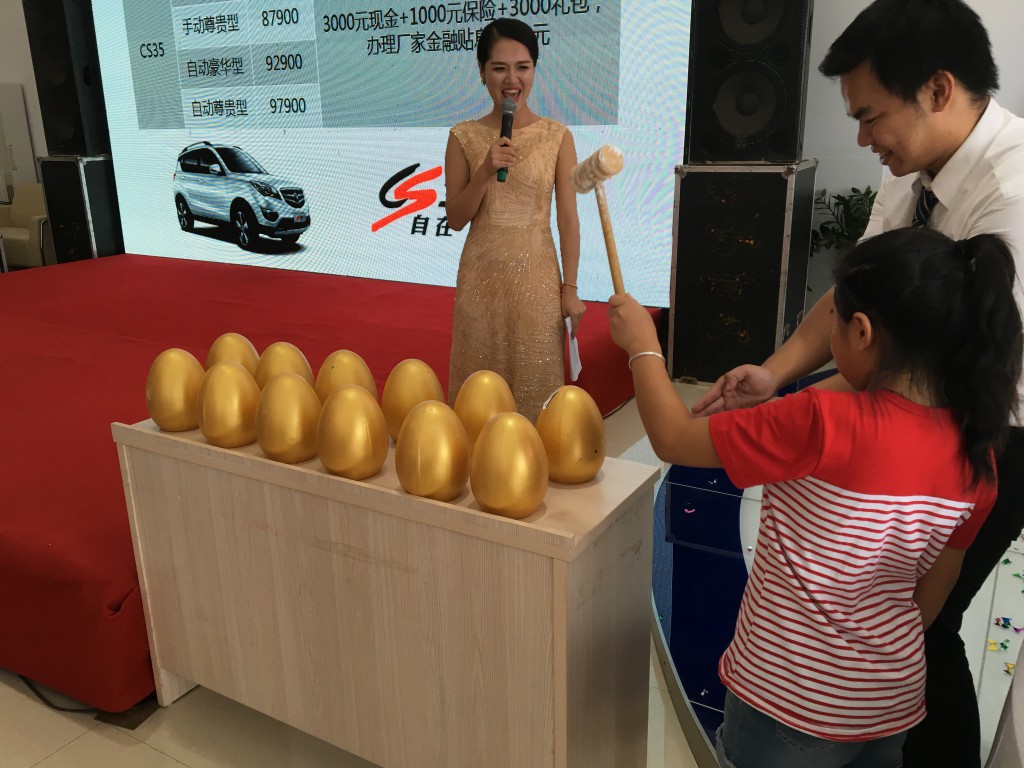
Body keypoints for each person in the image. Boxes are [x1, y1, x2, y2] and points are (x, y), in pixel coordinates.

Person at [691, 2, 1024, 764]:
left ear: (938, 89)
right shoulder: (914, 169)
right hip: (921, 420)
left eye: (871, 117)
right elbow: (855, 292)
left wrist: (823, 410)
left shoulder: (1011, 198)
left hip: (991, 432)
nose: (863, 139)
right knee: (899, 616)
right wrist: (776, 373)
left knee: (930, 626)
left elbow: (947, 371)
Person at [609, 227, 1023, 768]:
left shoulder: (820, 421)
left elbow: (672, 438)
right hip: (887, 704)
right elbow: (936, 588)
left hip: (785, 705)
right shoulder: (977, 451)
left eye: (834, 320)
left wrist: (642, 345)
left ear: (862, 331)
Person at [444, 18, 585, 423]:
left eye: (522, 67)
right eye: (499, 68)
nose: (512, 80)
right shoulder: (463, 136)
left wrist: (570, 289)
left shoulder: (558, 136)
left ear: (534, 70)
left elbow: (568, 218)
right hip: (480, 279)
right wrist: (485, 172)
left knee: (537, 393)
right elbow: (455, 218)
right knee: (478, 396)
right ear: (482, 72)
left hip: (538, 281)